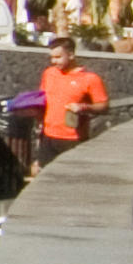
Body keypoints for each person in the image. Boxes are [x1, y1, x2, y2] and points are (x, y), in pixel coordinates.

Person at [31, 37, 108, 176]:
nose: (54, 61)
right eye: (52, 57)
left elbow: (103, 106)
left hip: (73, 139)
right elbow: (43, 100)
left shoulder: (90, 79)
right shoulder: (49, 73)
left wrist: (84, 107)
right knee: (43, 177)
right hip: (48, 136)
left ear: (71, 54)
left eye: (58, 57)